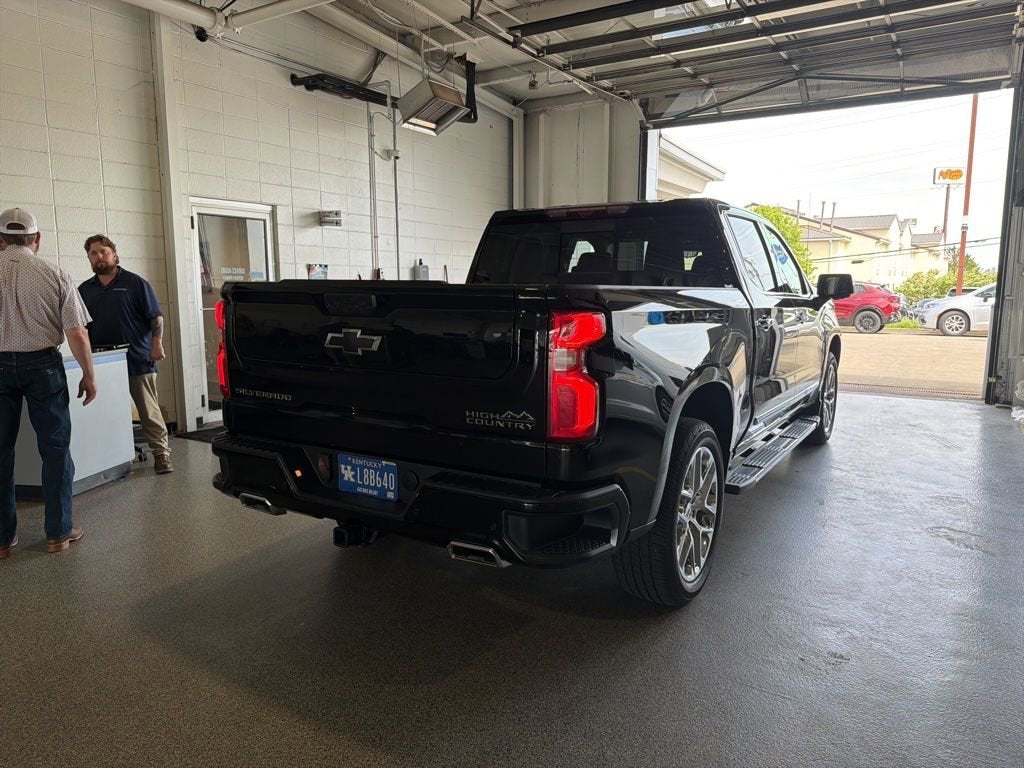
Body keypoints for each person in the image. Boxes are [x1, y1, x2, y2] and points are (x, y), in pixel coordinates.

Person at [0, 208, 96, 558]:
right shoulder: (54, 273)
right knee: (54, 450)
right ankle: (58, 532)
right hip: (42, 366)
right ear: (36, 239)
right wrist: (88, 373)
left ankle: (2, 540)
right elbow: (76, 332)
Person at [78, 235, 174, 474]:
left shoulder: (135, 283)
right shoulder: (84, 290)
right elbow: (81, 327)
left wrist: (157, 344)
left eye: (103, 251)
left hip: (138, 358)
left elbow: (156, 317)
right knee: (107, 411)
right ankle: (112, 457)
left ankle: (162, 455)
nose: (99, 256)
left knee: (148, 410)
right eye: (93, 253)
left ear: (115, 254)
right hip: (102, 361)